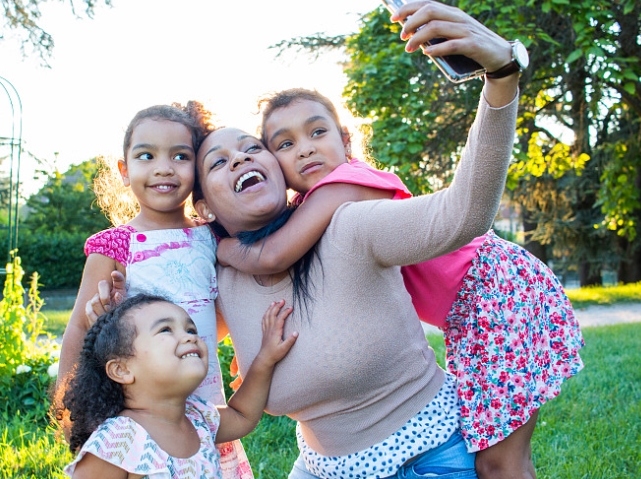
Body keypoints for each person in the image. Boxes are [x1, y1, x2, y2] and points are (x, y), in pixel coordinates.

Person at [186, 2, 525, 477]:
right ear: (202, 207)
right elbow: (171, 343)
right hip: (322, 467)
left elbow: (464, 212)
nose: (240, 160)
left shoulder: (347, 222)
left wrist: (502, 77)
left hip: (424, 458)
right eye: (218, 162)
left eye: (250, 148)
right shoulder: (217, 276)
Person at [215, 84, 585, 479]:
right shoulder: (310, 209)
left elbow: (273, 255)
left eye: (317, 132)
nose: (305, 148)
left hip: (495, 290)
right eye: (285, 144)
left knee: (500, 464)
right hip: (468, 306)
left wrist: (218, 246)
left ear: (346, 141)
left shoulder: (345, 184)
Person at [57, 103, 253, 478]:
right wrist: (69, 410)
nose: (164, 167)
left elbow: (215, 317)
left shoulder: (210, 237)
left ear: (196, 169)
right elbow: (80, 330)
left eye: (180, 156)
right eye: (147, 155)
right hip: (141, 414)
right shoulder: (115, 245)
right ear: (124, 170)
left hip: (207, 410)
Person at [61, 294, 297, 478]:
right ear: (122, 370)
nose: (190, 337)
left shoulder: (197, 418)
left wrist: (265, 358)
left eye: (191, 329)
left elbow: (243, 415)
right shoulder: (117, 441)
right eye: (165, 329)